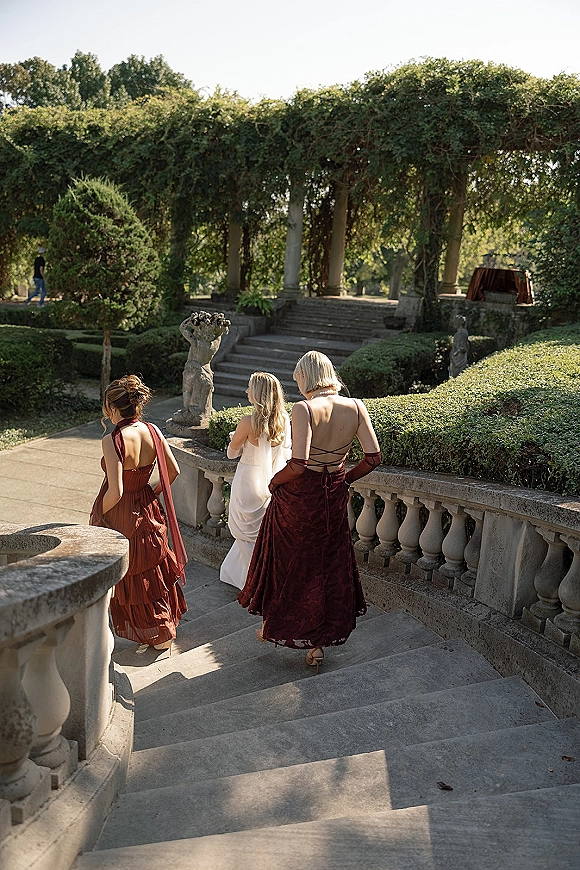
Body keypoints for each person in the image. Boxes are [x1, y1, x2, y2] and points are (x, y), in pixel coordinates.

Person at [238, 351, 381, 673]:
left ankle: (274, 627)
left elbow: (299, 464)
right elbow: (373, 458)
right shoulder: (357, 406)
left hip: (301, 498)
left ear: (305, 376)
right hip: (333, 497)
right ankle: (317, 646)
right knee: (327, 566)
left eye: (298, 378)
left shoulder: (304, 408)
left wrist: (275, 481)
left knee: (289, 564)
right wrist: (344, 480)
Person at [90, 375, 188, 652]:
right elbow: (174, 472)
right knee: (151, 569)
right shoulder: (153, 430)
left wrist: (98, 514)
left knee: (131, 572)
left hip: (122, 513)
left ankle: (156, 634)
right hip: (146, 505)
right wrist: (150, 494)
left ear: (111, 408)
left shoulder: (112, 439)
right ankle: (161, 628)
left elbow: (116, 491)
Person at [220, 372, 291, 590]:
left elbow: (232, 454)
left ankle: (258, 582)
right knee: (260, 534)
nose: (246, 392)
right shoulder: (284, 420)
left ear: (258, 393)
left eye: (249, 388)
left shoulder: (247, 422)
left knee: (243, 532)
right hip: (272, 481)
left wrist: (235, 439)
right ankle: (241, 575)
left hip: (247, 482)